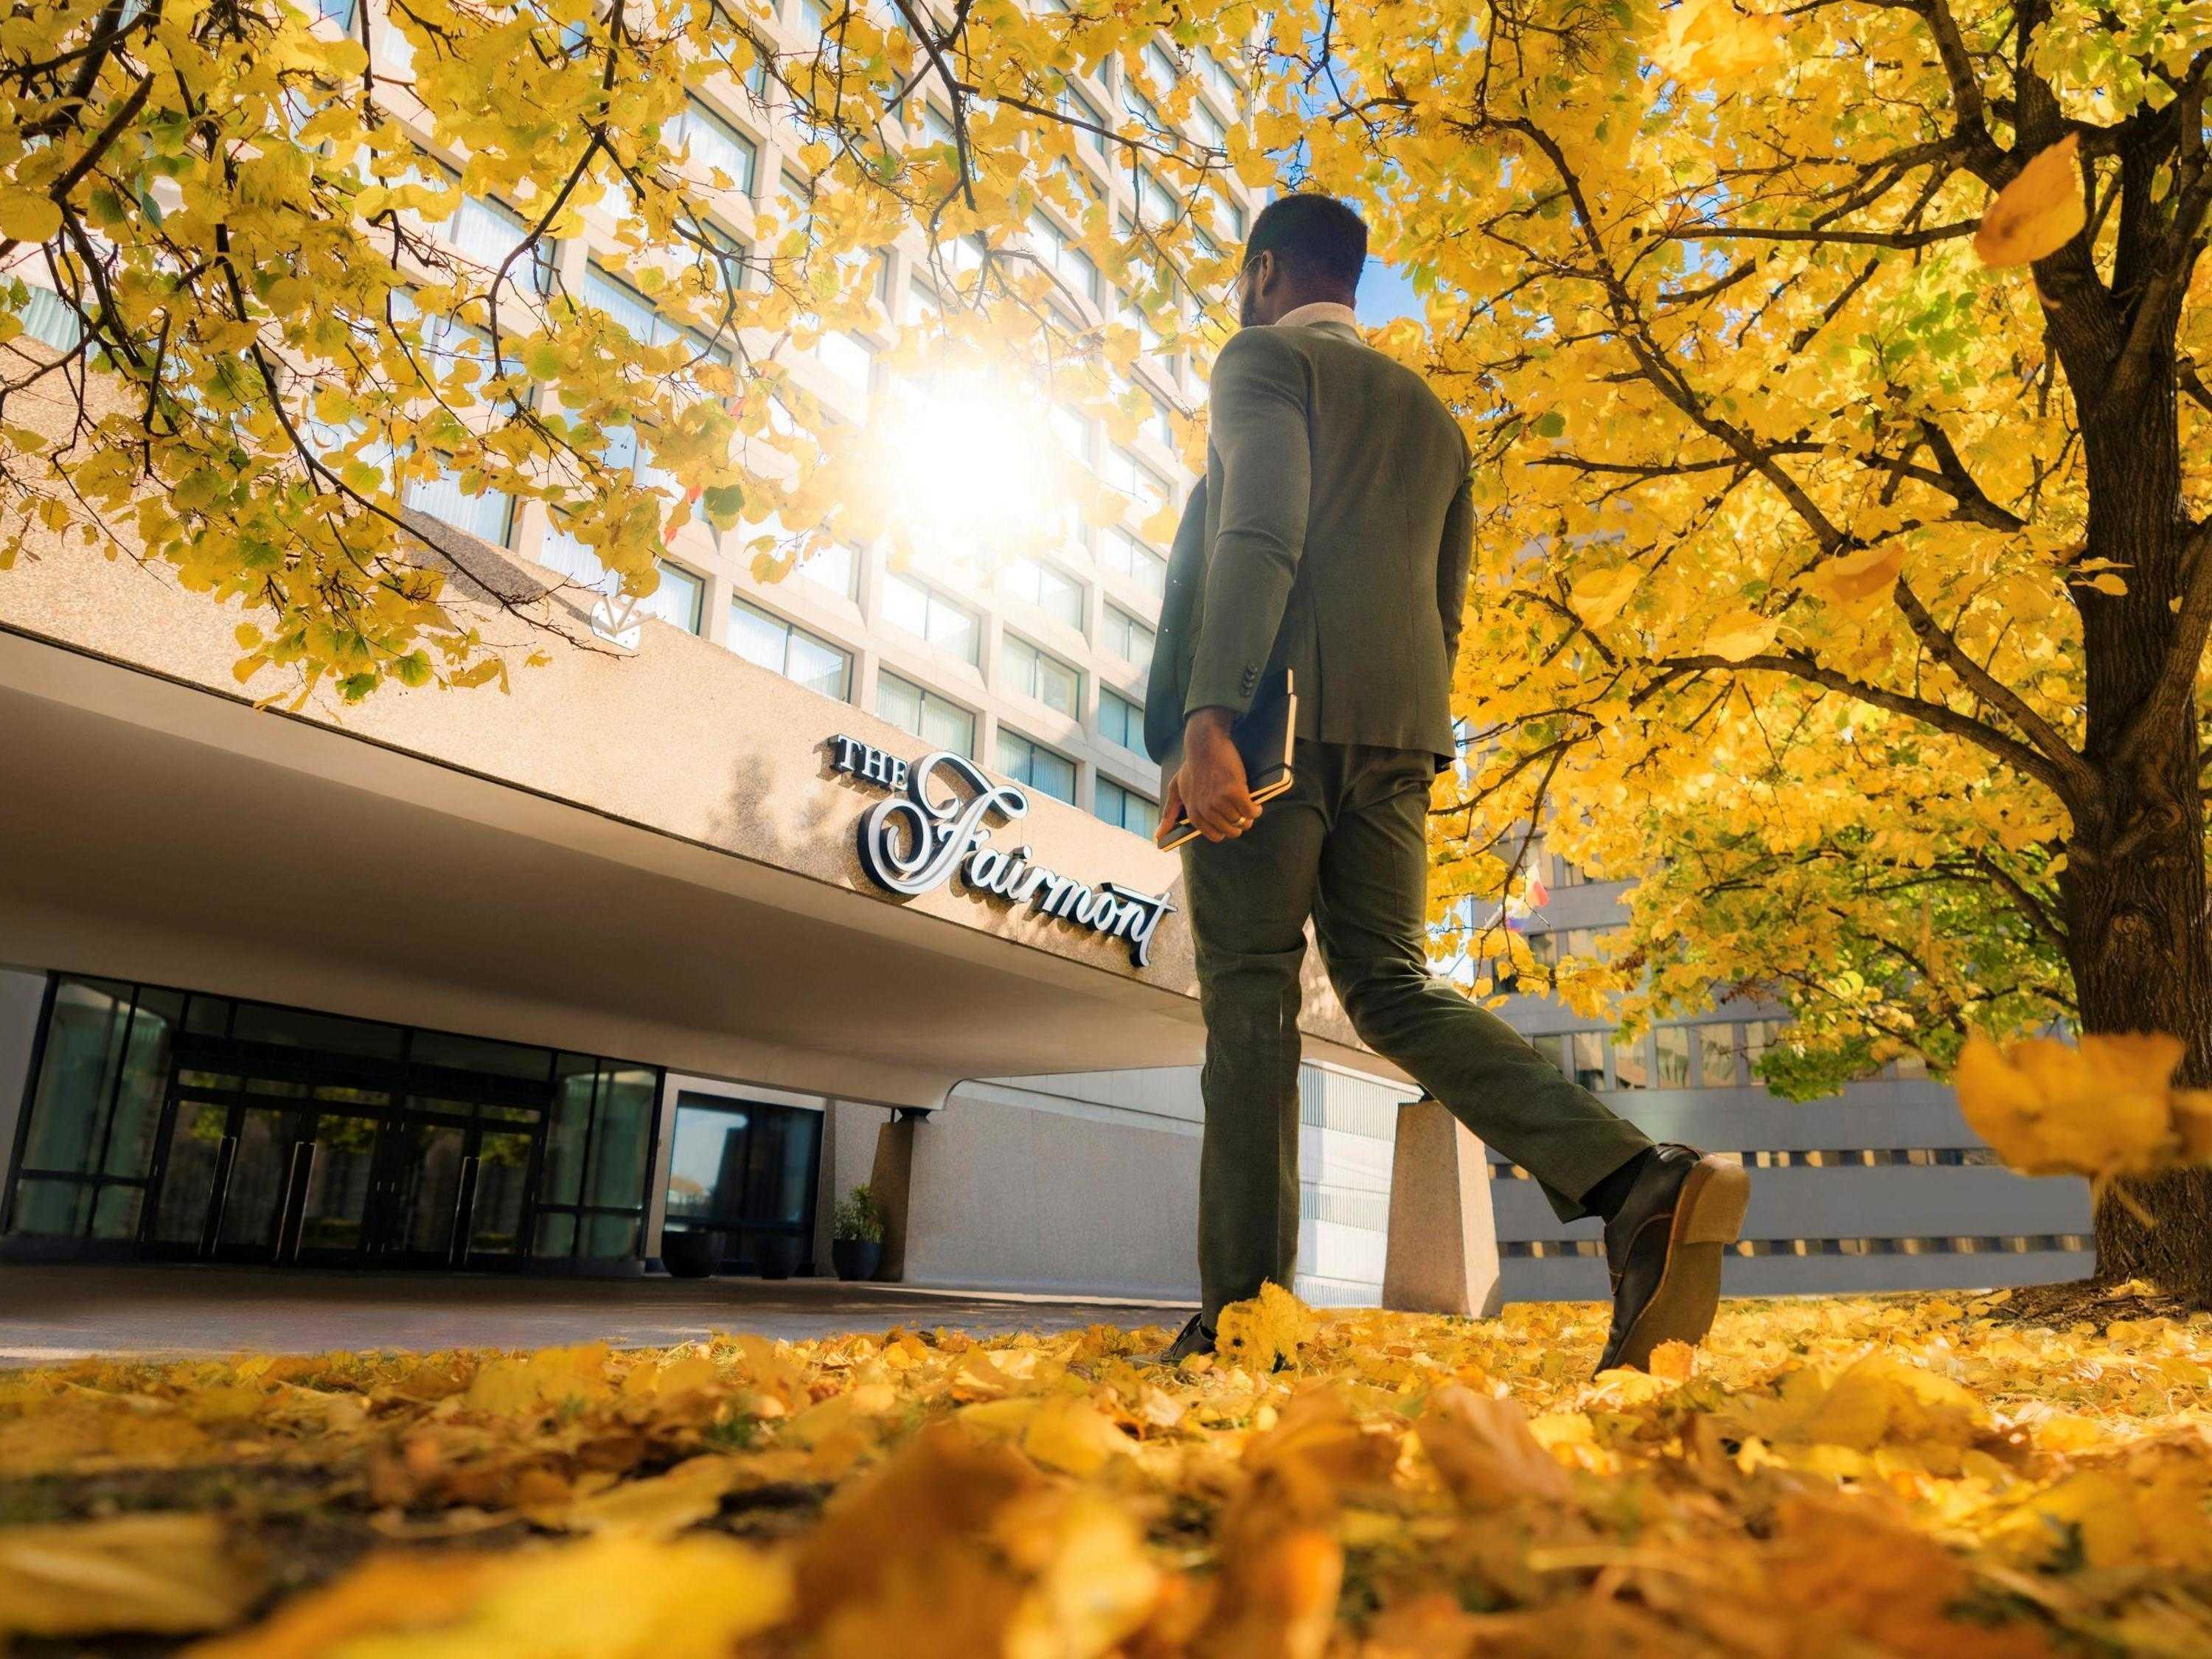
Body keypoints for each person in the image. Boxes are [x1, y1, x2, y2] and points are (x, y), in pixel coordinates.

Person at [1144, 195, 1749, 1374]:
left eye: (1240, 279)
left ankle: (1241, 1321)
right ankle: (1636, 1179)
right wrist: (1405, 738)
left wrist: (1212, 712)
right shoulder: (1434, 421)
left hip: (1269, 730)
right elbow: (1445, 609)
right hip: (1400, 740)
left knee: (1254, 998)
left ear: (1264, 274)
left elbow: (1260, 528)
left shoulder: (1259, 360)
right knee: (1392, 988)